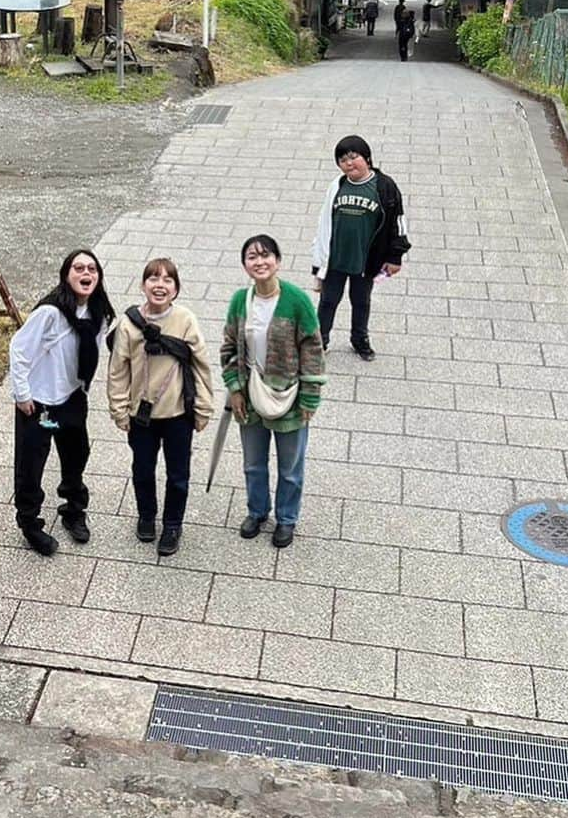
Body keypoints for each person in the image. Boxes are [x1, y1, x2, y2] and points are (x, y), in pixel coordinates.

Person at [221, 235, 325, 548]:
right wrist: (235, 388)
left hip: (289, 397)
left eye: (266, 255)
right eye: (252, 257)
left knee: (290, 467)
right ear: (245, 265)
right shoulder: (241, 300)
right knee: (253, 463)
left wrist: (310, 396)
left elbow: (313, 348)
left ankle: (286, 519)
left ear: (277, 261)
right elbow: (228, 346)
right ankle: (257, 511)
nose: (260, 262)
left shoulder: (296, 300)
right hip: (250, 394)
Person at [8, 249, 114, 556]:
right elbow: (19, 348)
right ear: (66, 275)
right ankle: (30, 523)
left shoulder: (99, 312)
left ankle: (73, 509)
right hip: (41, 406)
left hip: (71, 400)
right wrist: (22, 394)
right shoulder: (50, 312)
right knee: (32, 463)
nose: (86, 273)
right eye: (78, 268)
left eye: (92, 269)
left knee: (76, 454)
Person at [107, 257, 214, 556]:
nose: (160, 284)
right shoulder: (129, 324)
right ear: (143, 285)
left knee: (178, 474)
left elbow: (201, 366)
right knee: (142, 469)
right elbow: (118, 370)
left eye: (168, 280)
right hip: (141, 416)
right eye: (153, 278)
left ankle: (172, 524)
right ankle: (146, 515)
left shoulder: (185, 320)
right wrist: (119, 409)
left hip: (178, 414)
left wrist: (203, 408)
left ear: (176, 289)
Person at [312, 135, 411, 361]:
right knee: (327, 301)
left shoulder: (384, 187)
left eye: (353, 156)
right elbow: (323, 223)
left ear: (366, 157)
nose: (349, 163)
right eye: (343, 159)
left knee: (361, 301)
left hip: (365, 260)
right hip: (336, 259)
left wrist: (395, 256)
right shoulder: (336, 185)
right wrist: (318, 260)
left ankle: (359, 339)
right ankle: (319, 341)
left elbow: (398, 222)